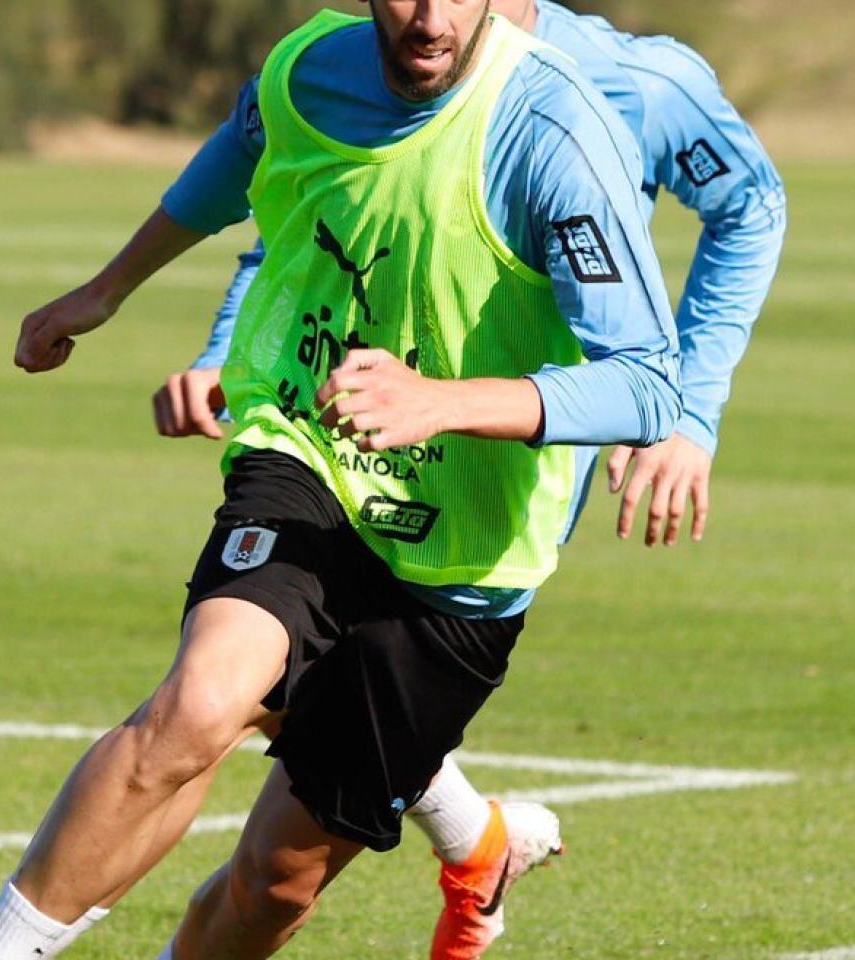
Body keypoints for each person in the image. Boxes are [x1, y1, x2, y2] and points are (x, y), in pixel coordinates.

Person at [0, 2, 687, 958]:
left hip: (461, 560)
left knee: (272, 888)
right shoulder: (306, 71)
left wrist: (441, 401)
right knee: (199, 708)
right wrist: (108, 288)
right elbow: (236, 160)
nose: (427, 17)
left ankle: (476, 839)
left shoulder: (552, 131)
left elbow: (645, 384)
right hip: (306, 455)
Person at [147, 1, 786, 956]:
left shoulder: (631, 83)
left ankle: (473, 837)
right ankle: (473, 836)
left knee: (294, 766)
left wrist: (688, 412)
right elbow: (303, 215)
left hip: (489, 477)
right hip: (332, 439)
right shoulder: (360, 62)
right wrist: (223, 350)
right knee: (241, 665)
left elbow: (751, 204)